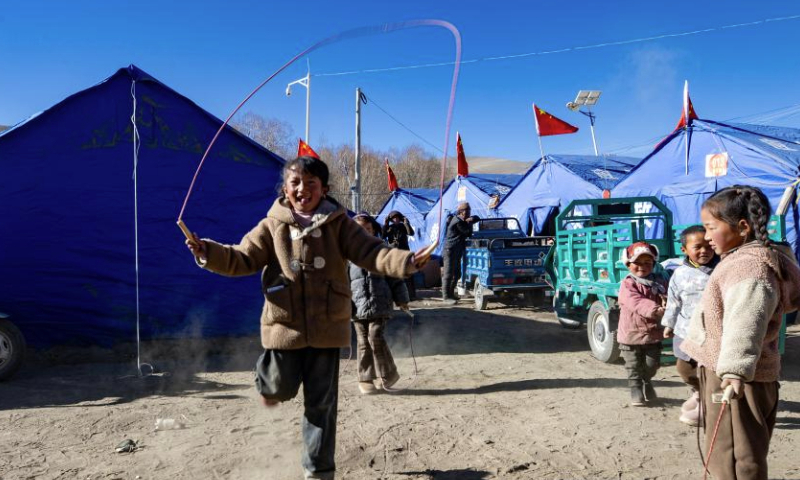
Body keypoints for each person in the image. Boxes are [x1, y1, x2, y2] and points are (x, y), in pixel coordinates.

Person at [184, 156, 429, 480]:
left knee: (321, 406)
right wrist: (207, 252)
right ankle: (267, 383)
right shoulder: (272, 225)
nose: (302, 189)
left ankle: (319, 471)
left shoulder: (340, 224)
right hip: (284, 325)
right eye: (295, 183)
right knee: (278, 386)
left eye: (311, 183)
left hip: (328, 328)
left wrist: (408, 261)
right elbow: (242, 257)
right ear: (285, 188)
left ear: (324, 190)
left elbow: (373, 252)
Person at [682, 185, 800, 480]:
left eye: (711, 227)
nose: (706, 237)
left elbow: (746, 322)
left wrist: (734, 372)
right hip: (730, 371)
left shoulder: (750, 268)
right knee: (725, 449)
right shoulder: (742, 259)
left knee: (738, 458)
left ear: (743, 227)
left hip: (739, 378)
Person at [662, 225, 718, 426]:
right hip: (685, 330)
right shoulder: (679, 274)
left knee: (709, 371)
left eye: (708, 245)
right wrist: (669, 324)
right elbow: (673, 301)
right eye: (698, 247)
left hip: (712, 332)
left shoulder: (721, 270)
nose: (704, 251)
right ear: (684, 250)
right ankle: (698, 392)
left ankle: (708, 405)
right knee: (684, 367)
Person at [350, 213, 409, 394]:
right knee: (362, 342)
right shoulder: (346, 254)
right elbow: (340, 281)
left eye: (368, 229)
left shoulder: (383, 250)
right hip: (356, 305)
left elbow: (395, 277)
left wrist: (402, 299)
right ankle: (366, 378)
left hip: (379, 302)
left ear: (374, 230)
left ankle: (388, 374)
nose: (364, 232)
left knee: (374, 337)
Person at [617, 241, 669, 406]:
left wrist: (668, 302)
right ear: (628, 264)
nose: (642, 266)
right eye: (637, 262)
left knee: (652, 365)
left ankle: (647, 381)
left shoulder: (660, 282)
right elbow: (635, 301)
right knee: (633, 365)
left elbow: (671, 296)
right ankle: (636, 388)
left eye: (647, 262)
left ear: (654, 264)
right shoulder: (628, 284)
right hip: (631, 334)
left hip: (653, 334)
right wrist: (655, 309)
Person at [441, 202, 479, 304]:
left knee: (457, 274)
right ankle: (446, 297)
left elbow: (476, 218)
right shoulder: (457, 221)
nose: (468, 213)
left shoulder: (461, 220)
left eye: (469, 211)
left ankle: (451, 293)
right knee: (448, 274)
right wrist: (470, 222)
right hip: (450, 250)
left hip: (457, 250)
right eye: (466, 211)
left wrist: (471, 219)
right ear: (461, 212)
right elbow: (467, 232)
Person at [383, 211, 418, 301]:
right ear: (391, 219)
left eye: (397, 218)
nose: (396, 219)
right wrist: (385, 224)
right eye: (394, 218)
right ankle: (395, 296)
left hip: (404, 253)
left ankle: (411, 295)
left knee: (408, 274)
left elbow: (411, 233)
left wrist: (406, 223)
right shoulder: (389, 228)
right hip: (393, 253)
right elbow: (383, 235)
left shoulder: (403, 227)